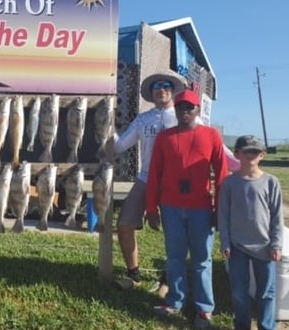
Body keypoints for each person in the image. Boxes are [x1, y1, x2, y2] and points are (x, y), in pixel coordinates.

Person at [113, 72, 239, 291]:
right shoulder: (143, 119)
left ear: (173, 90)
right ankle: (134, 275)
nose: (161, 89)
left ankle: (168, 279)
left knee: (178, 232)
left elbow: (217, 147)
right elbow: (119, 146)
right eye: (156, 86)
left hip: (177, 183)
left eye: (166, 85)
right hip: (146, 178)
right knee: (124, 224)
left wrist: (244, 162)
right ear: (150, 93)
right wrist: (107, 126)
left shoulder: (186, 113)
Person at [145, 89, 229, 329]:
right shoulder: (164, 137)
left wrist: (219, 210)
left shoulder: (211, 135)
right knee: (175, 258)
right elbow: (154, 175)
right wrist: (152, 207)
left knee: (202, 260)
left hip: (201, 208)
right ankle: (175, 301)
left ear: (197, 110)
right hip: (170, 207)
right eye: (180, 106)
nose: (184, 111)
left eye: (189, 107)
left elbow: (221, 174)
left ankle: (204, 309)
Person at [218, 135, 283, 330]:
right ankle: (242, 325)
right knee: (239, 292)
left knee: (266, 293)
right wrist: (225, 242)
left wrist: (276, 244)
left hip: (265, 248)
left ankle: (266, 326)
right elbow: (223, 216)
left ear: (262, 154)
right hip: (237, 247)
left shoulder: (271, 182)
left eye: (255, 151)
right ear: (237, 154)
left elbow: (277, 217)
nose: (250, 155)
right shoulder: (229, 183)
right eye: (246, 151)